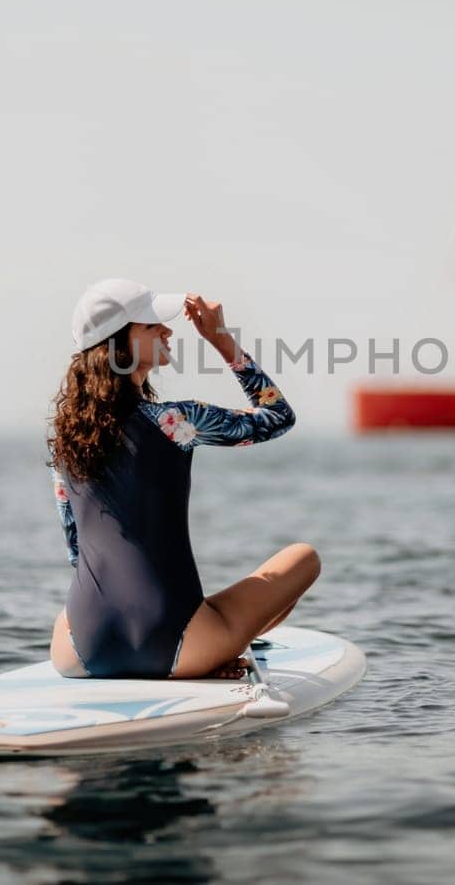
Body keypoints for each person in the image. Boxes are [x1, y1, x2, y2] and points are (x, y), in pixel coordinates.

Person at [45, 278, 320, 681]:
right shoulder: (176, 422)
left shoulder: (65, 441)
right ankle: (207, 648)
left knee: (88, 587)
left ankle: (204, 642)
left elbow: (75, 549)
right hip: (174, 645)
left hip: (78, 650)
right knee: (303, 558)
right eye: (152, 325)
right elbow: (277, 418)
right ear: (119, 344)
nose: (167, 331)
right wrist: (221, 339)